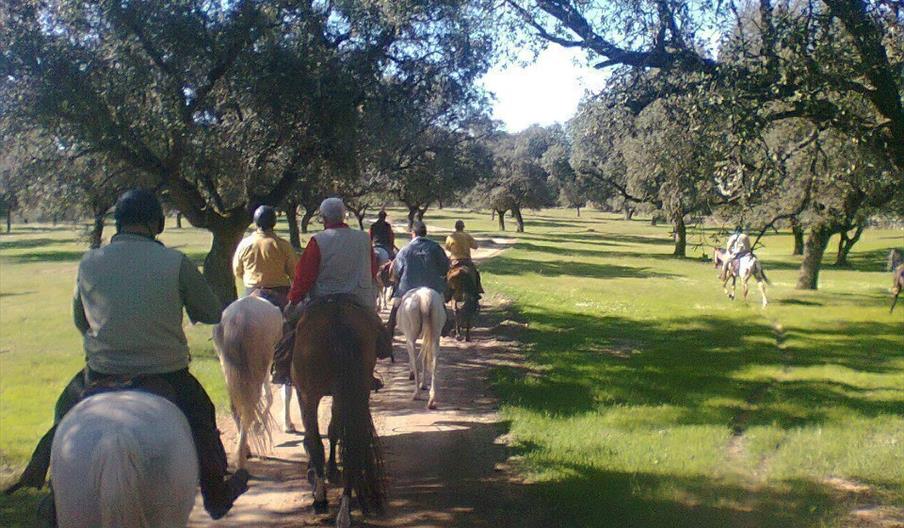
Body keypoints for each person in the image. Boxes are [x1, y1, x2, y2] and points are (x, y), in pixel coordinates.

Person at [6, 189, 248, 521]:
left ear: (117, 223)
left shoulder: (90, 261)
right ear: (157, 224)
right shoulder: (175, 262)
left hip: (101, 372)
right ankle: (215, 492)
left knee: (64, 411)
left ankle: (47, 488)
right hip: (166, 373)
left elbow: (81, 320)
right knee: (201, 416)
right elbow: (211, 312)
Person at [271, 198, 390, 388]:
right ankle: (377, 359)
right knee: (376, 327)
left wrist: (293, 301)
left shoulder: (318, 241)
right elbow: (372, 269)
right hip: (358, 301)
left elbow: (304, 277)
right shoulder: (363, 239)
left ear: (323, 218)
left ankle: (283, 368)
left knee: (291, 326)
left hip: (322, 300)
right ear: (344, 216)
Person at [386, 221, 451, 336]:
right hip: (433, 286)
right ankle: (446, 328)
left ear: (413, 233)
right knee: (440, 303)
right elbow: (444, 267)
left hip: (407, 286)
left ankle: (389, 331)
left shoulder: (405, 250)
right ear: (425, 233)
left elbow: (397, 271)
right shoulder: (435, 247)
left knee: (396, 305)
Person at [233, 205, 298, 307]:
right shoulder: (283, 245)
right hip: (280, 292)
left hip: (252, 290)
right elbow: (295, 272)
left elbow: (237, 270)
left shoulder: (244, 244)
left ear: (256, 221)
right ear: (274, 222)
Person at [444, 220, 484, 297]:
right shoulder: (467, 236)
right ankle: (477, 291)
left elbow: (447, 248)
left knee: (446, 273)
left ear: (455, 227)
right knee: (475, 274)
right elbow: (475, 247)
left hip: (454, 261)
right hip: (466, 260)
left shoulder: (450, 237)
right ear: (463, 227)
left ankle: (446, 292)